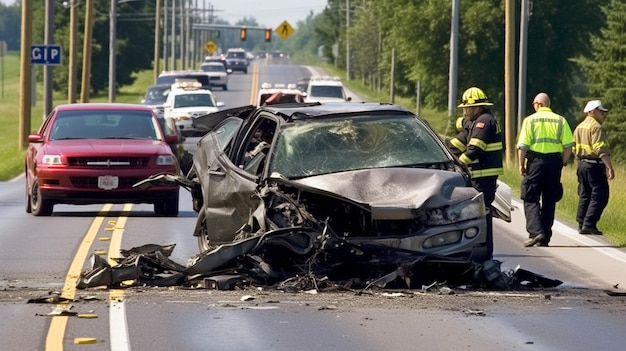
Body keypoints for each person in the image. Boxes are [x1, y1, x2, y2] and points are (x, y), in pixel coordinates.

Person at [447, 87, 503, 259]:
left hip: (483, 176)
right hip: (479, 176)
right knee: (476, 213)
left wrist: (458, 166)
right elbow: (458, 143)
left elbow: (475, 149)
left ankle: (484, 254)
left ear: (477, 107)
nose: (464, 112)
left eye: (467, 108)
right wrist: (444, 153)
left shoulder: (483, 122)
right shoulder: (476, 122)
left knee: (482, 213)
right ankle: (477, 252)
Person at [517, 92, 574, 247]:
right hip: (554, 162)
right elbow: (568, 146)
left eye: (534, 104)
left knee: (530, 196)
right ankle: (545, 237)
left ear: (538, 104)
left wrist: (521, 164)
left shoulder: (530, 120)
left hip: (536, 162)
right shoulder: (560, 120)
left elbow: (523, 146)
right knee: (550, 199)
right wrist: (561, 162)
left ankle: (536, 232)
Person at [573, 100, 615, 235]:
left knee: (585, 194)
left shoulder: (579, 127)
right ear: (592, 111)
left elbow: (574, 148)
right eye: (600, 111)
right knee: (600, 195)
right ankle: (589, 223)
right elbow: (600, 149)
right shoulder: (596, 127)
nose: (603, 114)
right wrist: (609, 167)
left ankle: (581, 222)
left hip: (581, 164)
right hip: (594, 165)